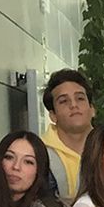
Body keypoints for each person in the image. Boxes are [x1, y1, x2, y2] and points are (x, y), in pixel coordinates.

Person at [39, 68, 94, 198]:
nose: (73, 105)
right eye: (64, 101)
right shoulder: (38, 154)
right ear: (53, 115)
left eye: (80, 98)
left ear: (92, 109)